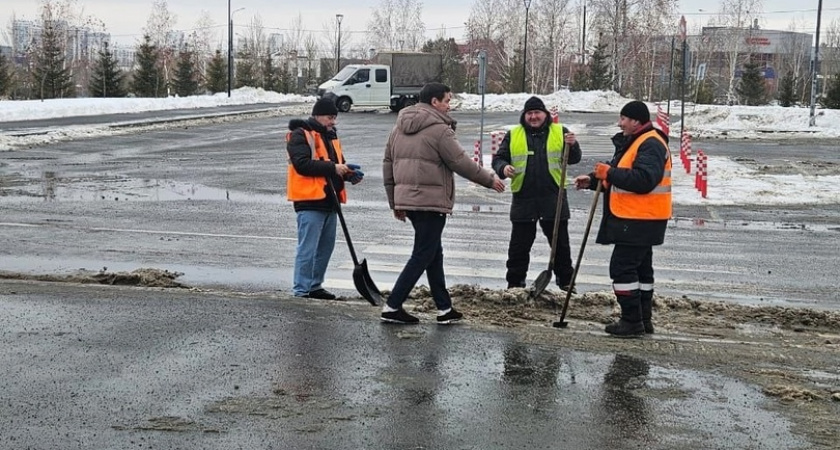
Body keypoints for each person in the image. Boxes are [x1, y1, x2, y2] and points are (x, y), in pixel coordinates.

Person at [382, 82, 505, 324]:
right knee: (423, 254)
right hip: (431, 201)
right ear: (434, 102)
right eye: (447, 100)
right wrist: (490, 180)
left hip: (410, 201)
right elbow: (460, 162)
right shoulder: (439, 130)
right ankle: (393, 305)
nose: (450, 106)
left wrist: (394, 202)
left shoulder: (398, 128)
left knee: (433, 253)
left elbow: (388, 165)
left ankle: (444, 308)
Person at [573, 100, 671, 337]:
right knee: (642, 271)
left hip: (638, 219)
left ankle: (631, 321)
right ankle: (642, 319)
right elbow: (622, 176)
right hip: (642, 218)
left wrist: (610, 173)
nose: (620, 123)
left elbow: (643, 180)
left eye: (624, 119)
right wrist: (596, 181)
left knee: (622, 268)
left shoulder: (650, 144)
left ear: (636, 120)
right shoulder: (638, 141)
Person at [491, 96, 582, 291]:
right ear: (524, 116)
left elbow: (574, 159)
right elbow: (498, 158)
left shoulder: (560, 132)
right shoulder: (514, 134)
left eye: (537, 113)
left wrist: (573, 145)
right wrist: (503, 168)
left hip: (553, 198)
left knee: (560, 245)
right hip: (524, 198)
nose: (533, 117)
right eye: (529, 113)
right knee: (518, 247)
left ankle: (566, 282)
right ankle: (515, 284)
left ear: (545, 114)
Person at [286, 96, 364, 300]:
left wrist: (347, 173)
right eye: (330, 117)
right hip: (310, 201)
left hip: (330, 200)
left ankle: (315, 285)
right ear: (317, 116)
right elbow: (302, 164)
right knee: (308, 249)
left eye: (335, 118)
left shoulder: (331, 136)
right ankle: (301, 290)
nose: (333, 122)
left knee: (325, 248)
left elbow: (338, 163)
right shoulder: (300, 134)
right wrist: (333, 167)